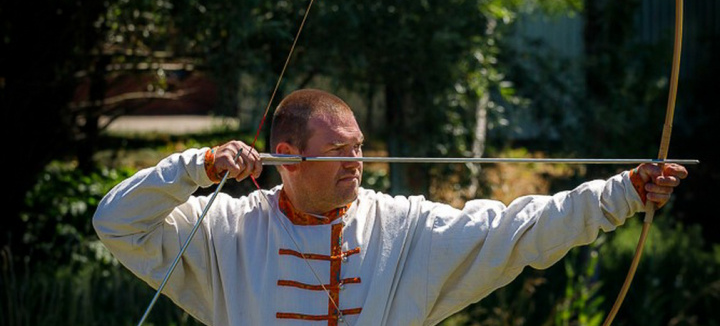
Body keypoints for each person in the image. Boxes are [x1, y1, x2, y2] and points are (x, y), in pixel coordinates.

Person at [93, 89, 687, 326]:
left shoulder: (401, 227)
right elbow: (115, 221)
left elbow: (520, 229)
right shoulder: (224, 230)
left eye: (359, 149)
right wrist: (199, 167)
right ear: (287, 156)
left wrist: (624, 192)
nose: (356, 163)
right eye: (338, 150)